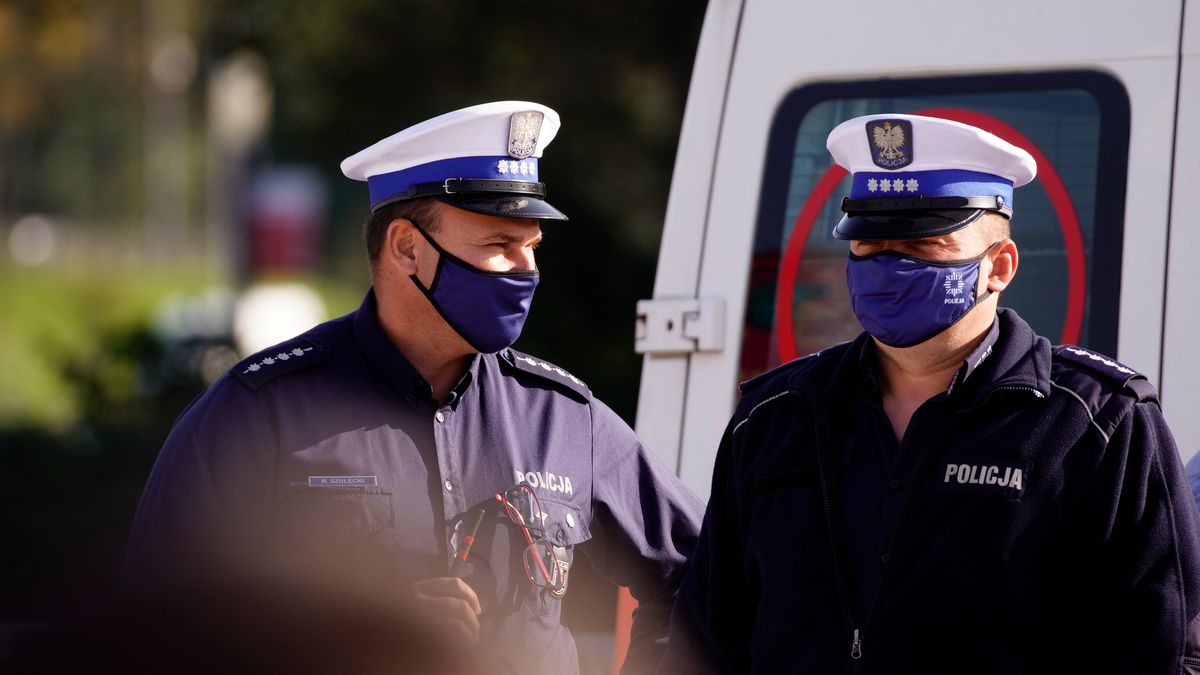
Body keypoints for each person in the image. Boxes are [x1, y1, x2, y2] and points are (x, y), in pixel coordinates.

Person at [126, 101, 703, 674]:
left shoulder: (563, 418)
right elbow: (158, 625)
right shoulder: (259, 414)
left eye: (532, 247)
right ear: (406, 248)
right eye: (499, 245)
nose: (526, 270)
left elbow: (701, 574)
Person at [660, 114, 1200, 673]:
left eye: (924, 243)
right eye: (870, 242)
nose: (891, 264)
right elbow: (702, 642)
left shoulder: (1099, 423)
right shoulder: (776, 418)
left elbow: (1164, 650)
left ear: (1000, 266)